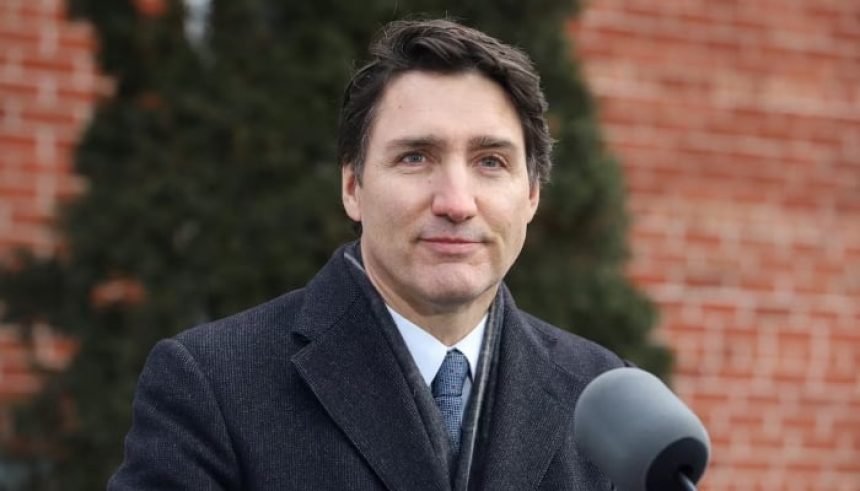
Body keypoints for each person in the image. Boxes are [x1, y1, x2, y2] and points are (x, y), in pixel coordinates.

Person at [109, 19, 625, 490]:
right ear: (353, 187)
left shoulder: (603, 398)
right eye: (416, 157)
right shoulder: (212, 385)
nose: (456, 203)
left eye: (490, 161)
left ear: (531, 194)